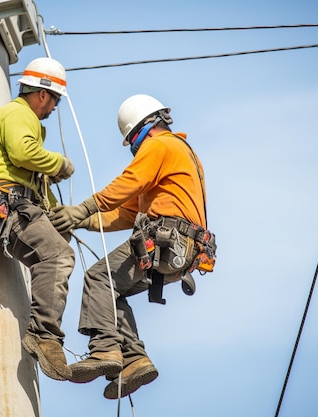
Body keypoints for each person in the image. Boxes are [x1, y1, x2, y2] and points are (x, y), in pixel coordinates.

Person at [50, 94, 216, 398]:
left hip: (166, 239)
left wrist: (85, 207)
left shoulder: (159, 145)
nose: (136, 150)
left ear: (145, 129)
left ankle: (104, 351)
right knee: (114, 293)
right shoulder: (179, 153)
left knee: (99, 277)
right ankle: (134, 359)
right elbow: (126, 212)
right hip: (183, 253)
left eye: (134, 142)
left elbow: (129, 182)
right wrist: (80, 220)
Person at [0, 57, 76, 381]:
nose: (53, 108)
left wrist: (61, 218)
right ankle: (43, 335)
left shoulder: (21, 120)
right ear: (42, 94)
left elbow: (35, 186)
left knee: (54, 254)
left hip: (12, 205)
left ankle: (45, 334)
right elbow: (23, 153)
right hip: (6, 203)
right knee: (57, 256)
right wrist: (60, 164)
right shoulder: (18, 114)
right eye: (55, 101)